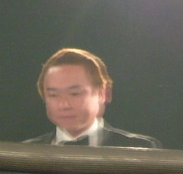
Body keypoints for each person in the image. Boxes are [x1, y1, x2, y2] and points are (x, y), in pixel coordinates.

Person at [23, 47, 161, 148]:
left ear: (102, 94)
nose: (64, 105)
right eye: (53, 95)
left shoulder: (140, 148)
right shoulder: (24, 152)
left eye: (74, 93)